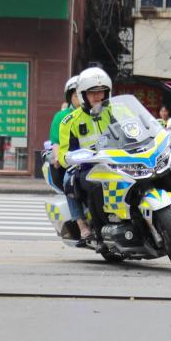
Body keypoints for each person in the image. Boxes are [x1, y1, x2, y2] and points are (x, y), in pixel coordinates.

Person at [58, 67, 113, 253]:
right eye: (93, 93)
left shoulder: (114, 111)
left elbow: (136, 126)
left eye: (101, 92)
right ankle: (99, 233)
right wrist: (74, 157)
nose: (98, 96)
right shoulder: (70, 121)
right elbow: (64, 155)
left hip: (117, 162)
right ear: (83, 95)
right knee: (96, 185)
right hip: (88, 167)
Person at [49, 76, 91, 240]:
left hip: (99, 159)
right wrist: (59, 157)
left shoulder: (97, 113)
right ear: (70, 97)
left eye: (83, 94)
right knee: (70, 182)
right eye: (76, 95)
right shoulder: (62, 117)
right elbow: (56, 142)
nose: (79, 98)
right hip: (75, 162)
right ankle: (81, 224)